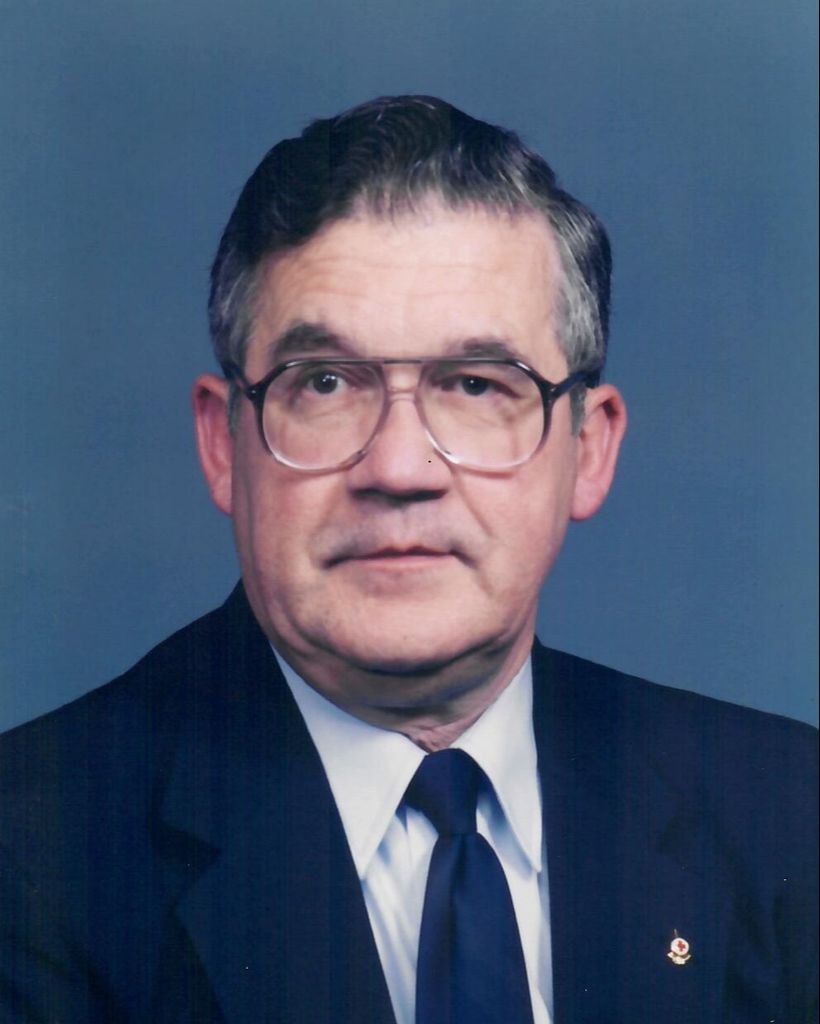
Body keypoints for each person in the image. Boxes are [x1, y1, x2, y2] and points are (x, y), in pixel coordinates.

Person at [0, 96, 816, 1024]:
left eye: (475, 384)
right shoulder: (33, 857)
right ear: (223, 444)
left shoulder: (789, 812)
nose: (397, 468)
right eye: (325, 383)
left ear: (588, 450)